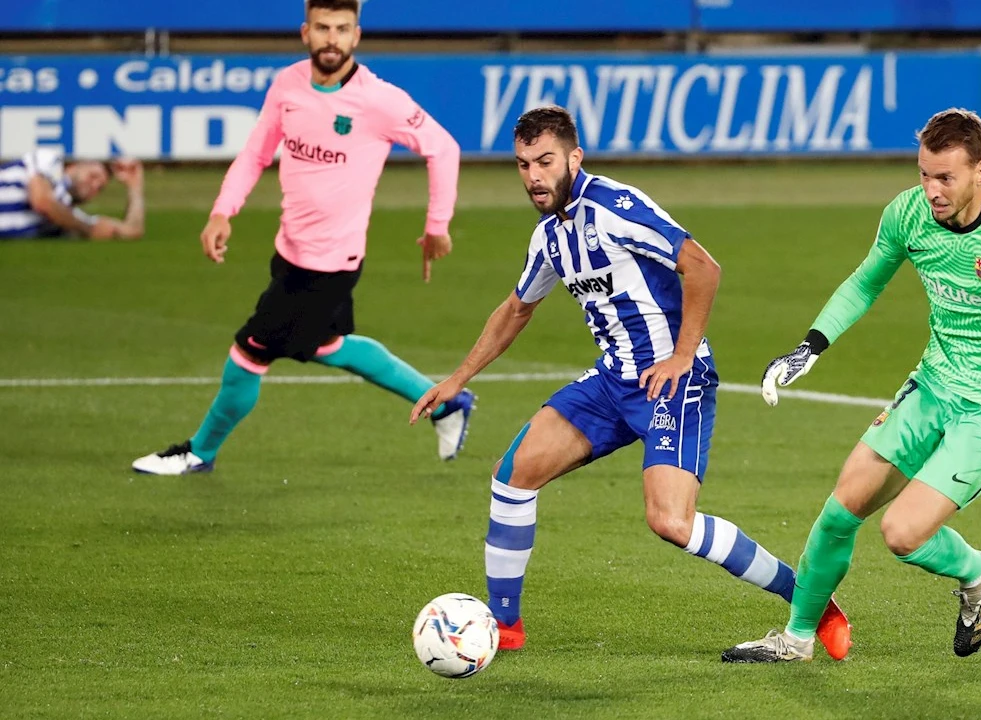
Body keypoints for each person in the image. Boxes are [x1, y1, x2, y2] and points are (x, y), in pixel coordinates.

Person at [409, 106, 851, 657]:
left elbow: (703, 267)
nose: (534, 176)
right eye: (523, 165)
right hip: (613, 381)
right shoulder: (550, 236)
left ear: (574, 157)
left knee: (671, 521)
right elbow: (516, 309)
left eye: (545, 161)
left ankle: (813, 601)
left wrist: (682, 356)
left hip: (675, 383)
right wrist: (458, 377)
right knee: (512, 477)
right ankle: (504, 629)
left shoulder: (616, 208)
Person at [722, 108, 981, 663]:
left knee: (902, 533)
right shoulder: (908, 214)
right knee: (840, 510)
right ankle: (797, 640)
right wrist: (812, 344)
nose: (931, 190)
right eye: (924, 174)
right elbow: (865, 282)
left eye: (945, 177)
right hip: (936, 381)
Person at [131, 0, 470, 475]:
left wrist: (437, 225)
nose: (332, 38)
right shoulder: (288, 85)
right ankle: (445, 403)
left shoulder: (378, 100)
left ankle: (198, 451)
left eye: (343, 28)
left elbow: (443, 147)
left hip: (331, 264)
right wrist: (222, 211)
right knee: (328, 345)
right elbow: (254, 153)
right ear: (305, 31)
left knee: (250, 352)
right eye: (323, 27)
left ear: (357, 35)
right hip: (290, 250)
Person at [0, 148, 145, 240]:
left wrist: (135, 187)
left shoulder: (71, 217)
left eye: (100, 188)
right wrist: (86, 229)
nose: (94, 185)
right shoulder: (48, 161)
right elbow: (42, 202)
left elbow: (132, 231)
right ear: (74, 166)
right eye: (93, 176)